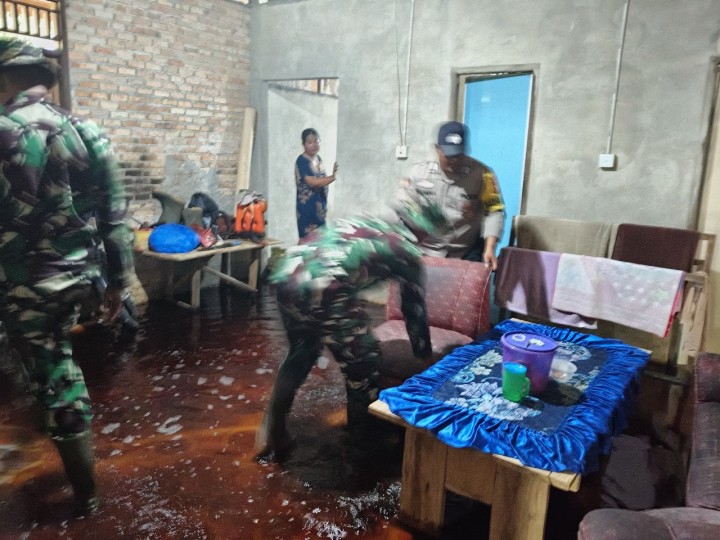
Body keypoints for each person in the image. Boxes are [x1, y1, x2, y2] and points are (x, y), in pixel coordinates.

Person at [0, 37, 135, 514]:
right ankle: (52, 421)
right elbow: (115, 218)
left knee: (55, 369)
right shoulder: (89, 132)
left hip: (23, 284)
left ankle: (86, 496)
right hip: (80, 277)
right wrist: (119, 282)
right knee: (49, 359)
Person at [254, 191, 449, 464]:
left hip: (286, 273)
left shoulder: (370, 224)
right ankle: (363, 443)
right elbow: (413, 309)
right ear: (427, 233)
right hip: (327, 287)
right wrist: (425, 357)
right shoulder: (407, 252)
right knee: (364, 362)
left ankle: (272, 428)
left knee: (303, 351)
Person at [398, 121, 506, 268]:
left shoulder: (483, 174)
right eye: (448, 155)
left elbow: (494, 210)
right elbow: (402, 206)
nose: (454, 160)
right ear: (437, 149)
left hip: (464, 251)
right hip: (425, 251)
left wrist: (490, 248)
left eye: (458, 154)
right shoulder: (418, 172)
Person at [295, 127, 338, 240]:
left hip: (320, 207)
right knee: (309, 241)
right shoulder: (302, 161)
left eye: (316, 141)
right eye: (310, 142)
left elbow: (322, 179)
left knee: (322, 241)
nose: (314, 144)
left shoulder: (318, 159)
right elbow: (312, 182)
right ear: (303, 144)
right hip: (307, 208)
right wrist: (332, 177)